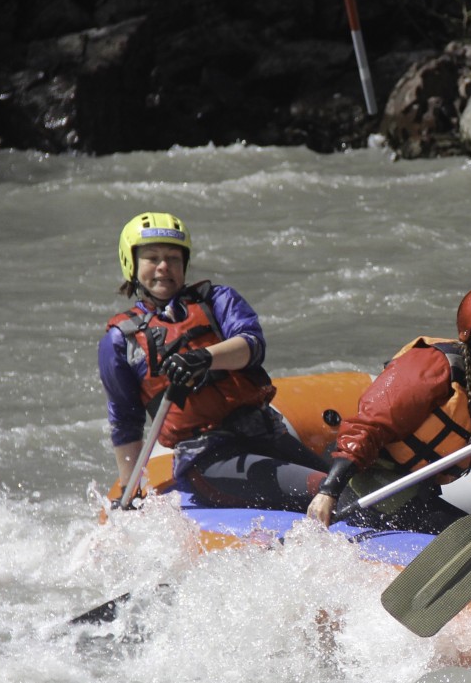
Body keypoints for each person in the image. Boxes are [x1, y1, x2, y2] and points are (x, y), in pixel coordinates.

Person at [99, 211, 330, 509]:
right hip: (208, 459)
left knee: (343, 485)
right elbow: (125, 420)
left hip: (265, 434)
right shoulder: (120, 341)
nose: (163, 267)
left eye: (173, 258)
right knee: (328, 491)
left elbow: (252, 345)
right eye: (152, 258)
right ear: (131, 264)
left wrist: (204, 358)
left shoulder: (218, 300)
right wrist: (129, 491)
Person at [305, 285, 471, 533]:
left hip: (411, 491)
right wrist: (328, 491)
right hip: (361, 484)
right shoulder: (434, 366)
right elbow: (369, 425)